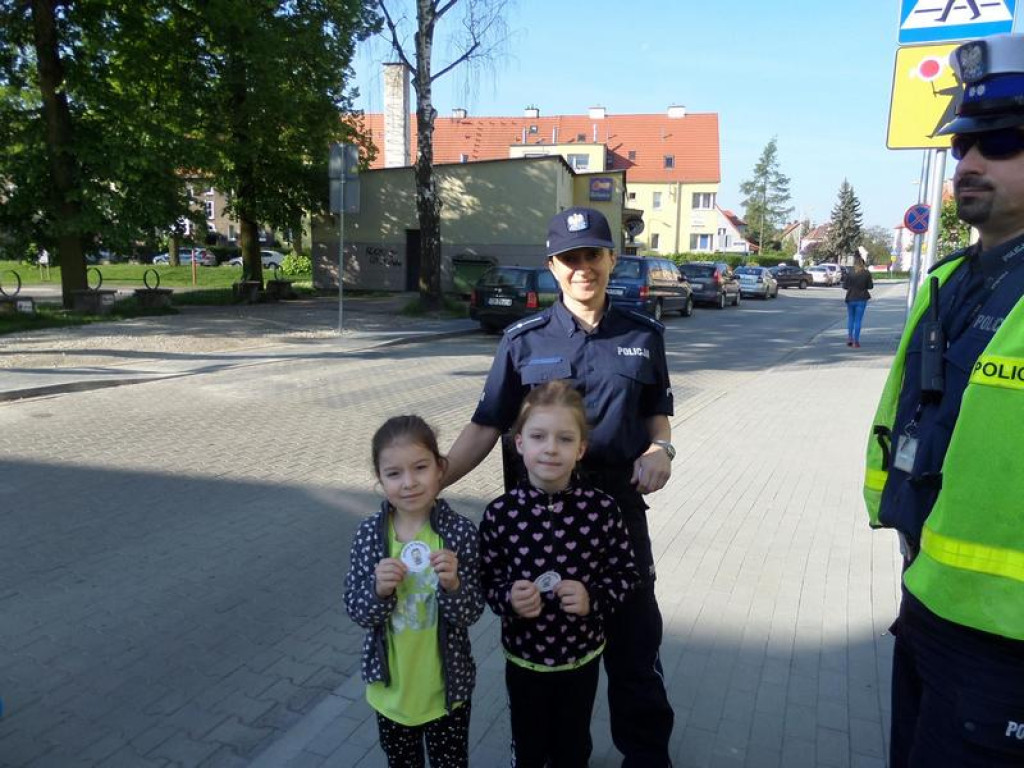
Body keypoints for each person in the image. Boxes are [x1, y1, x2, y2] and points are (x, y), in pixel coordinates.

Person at [445, 206, 676, 767]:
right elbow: (486, 424)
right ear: (553, 265)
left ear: (611, 258)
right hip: (536, 520)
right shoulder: (522, 341)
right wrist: (433, 483)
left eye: (592, 254)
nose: (582, 268)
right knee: (542, 650)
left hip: (617, 511)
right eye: (570, 258)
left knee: (634, 646)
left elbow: (657, 413)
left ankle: (645, 757)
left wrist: (661, 450)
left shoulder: (643, 336)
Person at [863, 33, 1024, 768]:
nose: (969, 163)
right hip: (927, 601)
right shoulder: (950, 282)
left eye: (1001, 142)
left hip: (1007, 644)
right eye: (963, 145)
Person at [479, 380, 639, 768]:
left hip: (580, 660)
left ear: (580, 449)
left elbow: (626, 573)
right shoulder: (500, 514)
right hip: (524, 660)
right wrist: (508, 600)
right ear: (520, 443)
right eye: (538, 436)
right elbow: (488, 579)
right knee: (529, 746)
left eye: (564, 439)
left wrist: (592, 599)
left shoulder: (601, 509)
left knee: (572, 748)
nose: (551, 448)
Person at [344, 415, 484, 768]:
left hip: (447, 693)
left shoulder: (459, 533)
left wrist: (453, 585)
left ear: (440, 468)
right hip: (391, 695)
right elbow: (357, 611)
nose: (408, 483)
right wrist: (378, 589)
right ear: (380, 479)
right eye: (394, 473)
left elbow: (472, 613)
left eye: (420, 467)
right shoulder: (370, 537)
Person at [844, 256, 873, 347]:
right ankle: (856, 341)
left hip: (850, 298)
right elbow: (870, 286)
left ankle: (849, 338)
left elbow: (845, 286)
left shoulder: (850, 273)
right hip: (861, 299)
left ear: (854, 265)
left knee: (851, 319)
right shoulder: (866, 273)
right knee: (858, 320)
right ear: (863, 264)